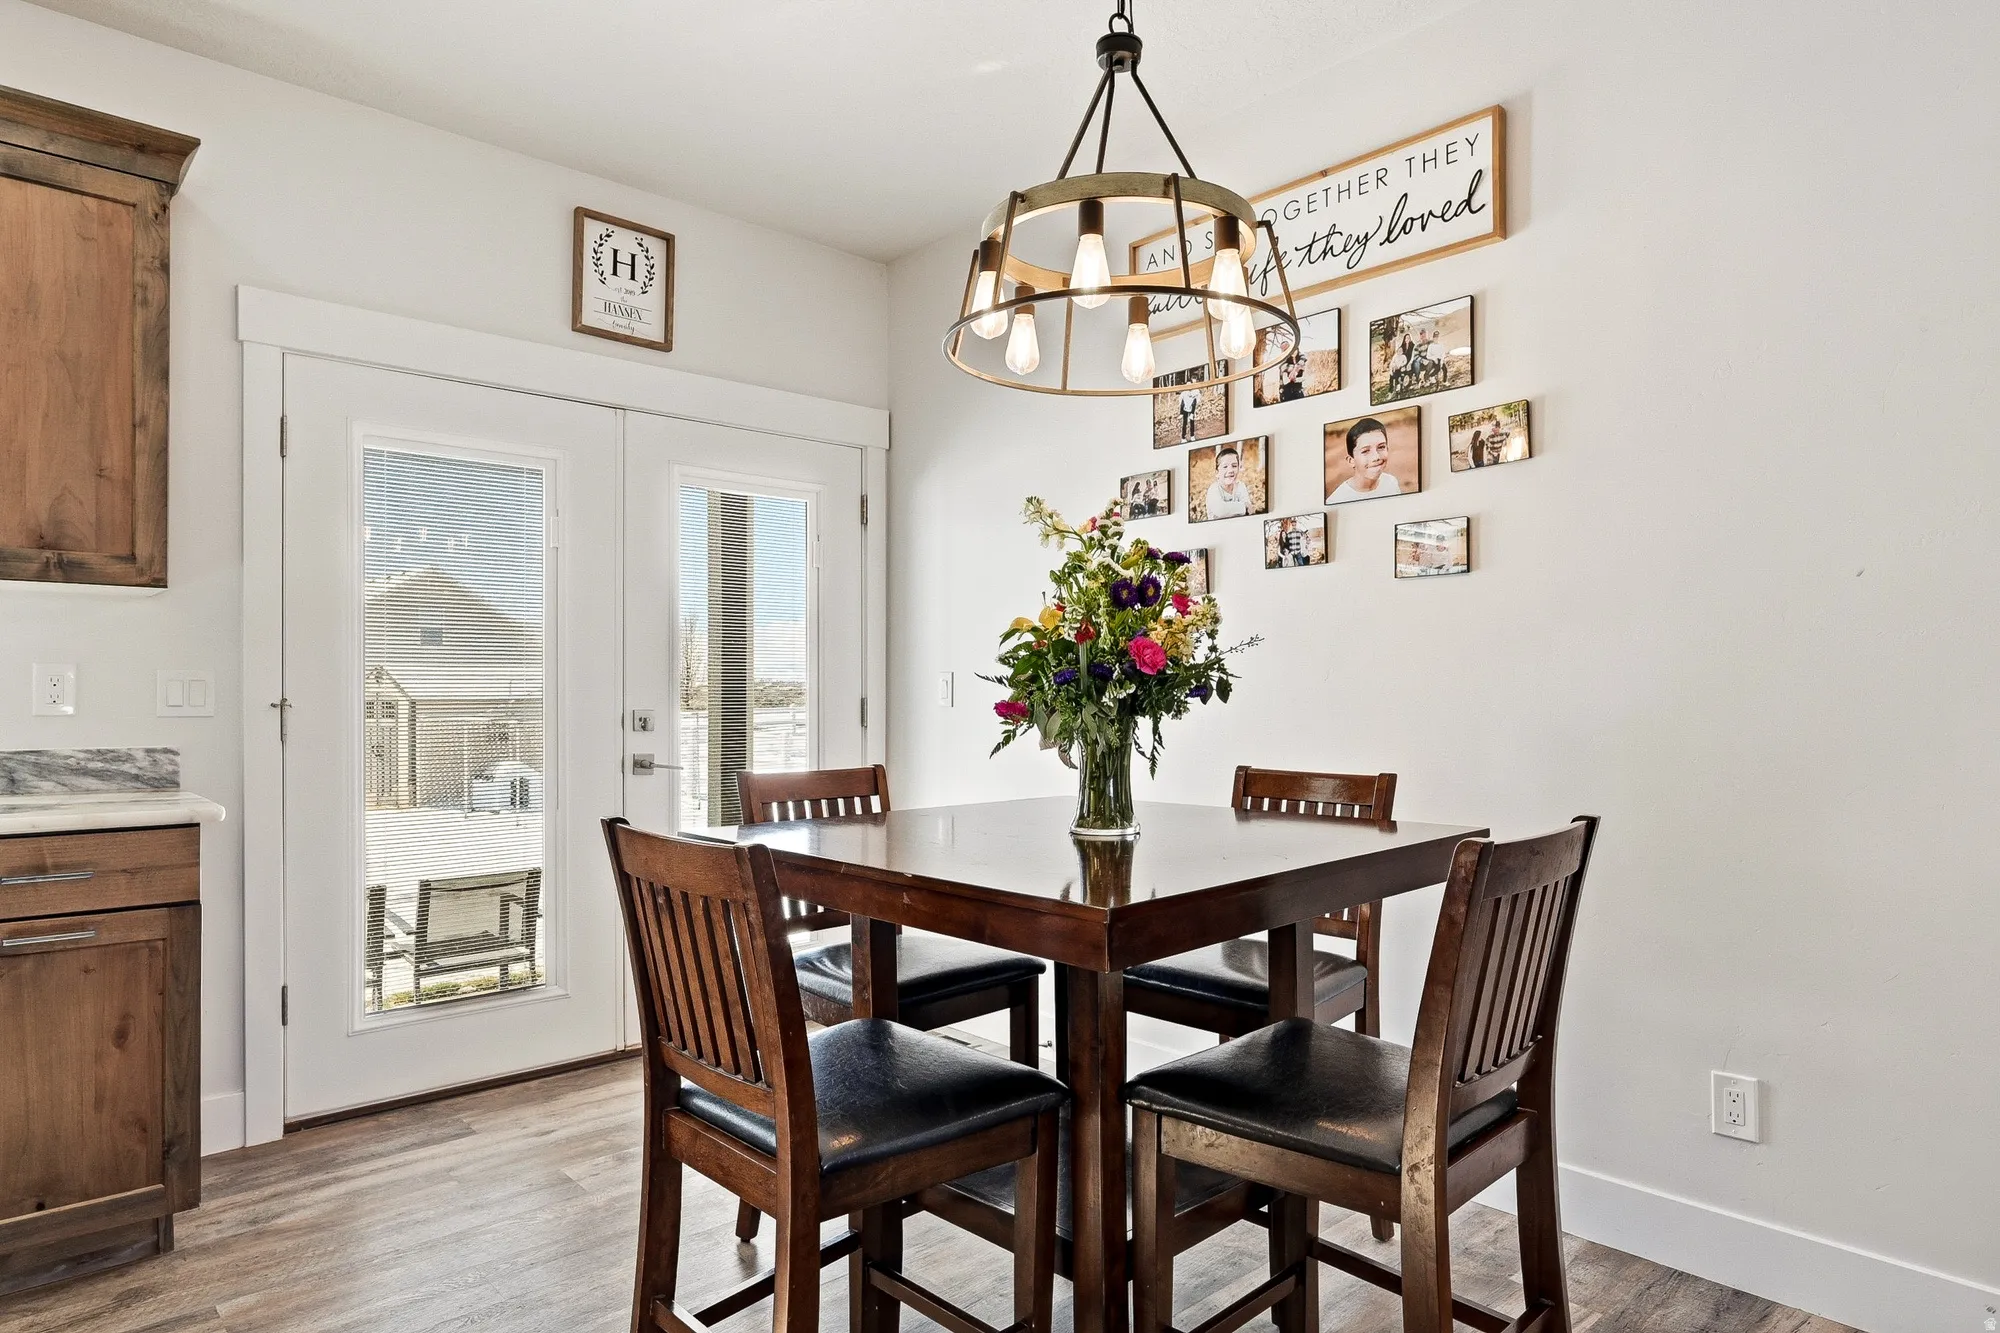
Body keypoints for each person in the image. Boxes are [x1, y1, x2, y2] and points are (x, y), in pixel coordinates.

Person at [1327, 417, 1403, 503]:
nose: (1376, 457)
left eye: (1381, 447)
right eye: (1365, 451)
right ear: (1351, 460)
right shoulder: (1338, 499)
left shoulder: (1391, 482)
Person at [1203, 445, 1252, 519]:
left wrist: (1230, 509)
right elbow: (1220, 510)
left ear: (1239, 468)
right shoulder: (1213, 489)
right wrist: (1243, 507)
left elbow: (1250, 510)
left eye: (1234, 466)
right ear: (1217, 472)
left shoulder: (1240, 486)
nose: (1230, 470)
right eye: (1225, 467)